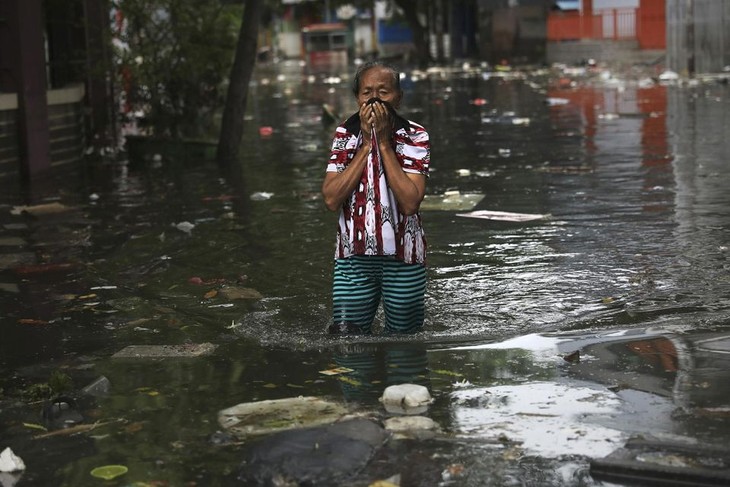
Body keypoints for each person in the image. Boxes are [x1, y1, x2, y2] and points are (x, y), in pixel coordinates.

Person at [321, 61, 430, 335]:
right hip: (352, 258)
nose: (373, 100)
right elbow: (332, 199)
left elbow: (409, 203)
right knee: (346, 339)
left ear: (399, 98)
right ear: (357, 98)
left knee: (404, 343)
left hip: (404, 258)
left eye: (383, 92)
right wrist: (367, 145)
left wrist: (382, 143)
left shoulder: (415, 136)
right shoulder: (345, 134)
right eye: (366, 92)